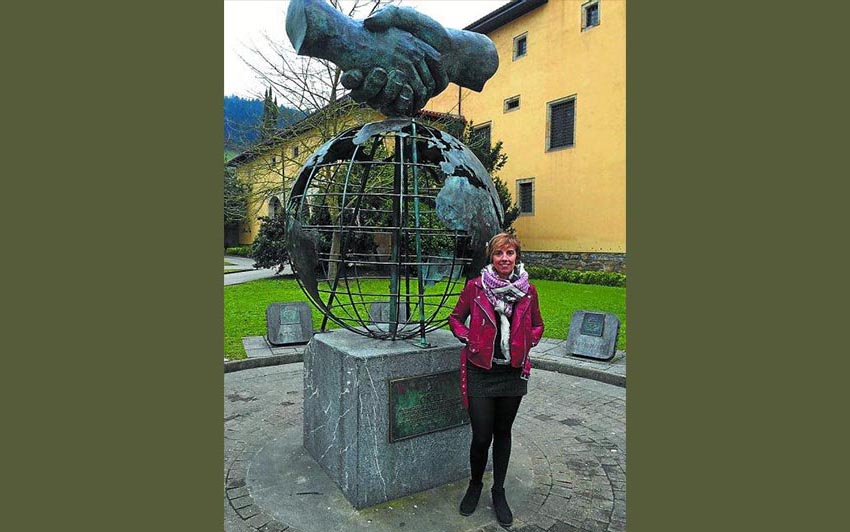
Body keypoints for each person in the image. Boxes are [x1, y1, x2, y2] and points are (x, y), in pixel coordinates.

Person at [448, 232, 544, 527]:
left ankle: (498, 491)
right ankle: (475, 484)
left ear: (517, 257)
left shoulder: (528, 291)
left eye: (510, 253)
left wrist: (528, 341)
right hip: (481, 370)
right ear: (491, 257)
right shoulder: (475, 288)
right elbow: (454, 319)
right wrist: (469, 339)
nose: (505, 259)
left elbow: (538, 325)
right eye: (499, 254)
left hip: (512, 372)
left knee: (503, 432)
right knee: (481, 436)